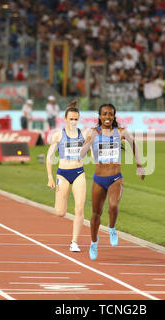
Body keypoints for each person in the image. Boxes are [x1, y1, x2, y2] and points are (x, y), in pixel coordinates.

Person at [80, 103, 145, 260]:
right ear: (99, 116)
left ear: (114, 116)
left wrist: (139, 164)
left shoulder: (121, 132)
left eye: (110, 114)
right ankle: (94, 243)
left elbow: (133, 144)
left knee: (113, 205)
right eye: (104, 114)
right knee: (96, 213)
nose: (107, 117)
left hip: (115, 178)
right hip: (98, 179)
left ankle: (111, 228)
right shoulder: (93, 132)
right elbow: (82, 152)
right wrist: (86, 144)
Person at [46, 101, 86, 252]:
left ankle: (74, 242)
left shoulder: (83, 134)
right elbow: (49, 157)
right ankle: (61, 202)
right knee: (60, 212)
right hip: (62, 174)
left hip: (78, 173)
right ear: (65, 119)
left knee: (79, 208)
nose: (74, 122)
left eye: (76, 119)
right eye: (71, 119)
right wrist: (50, 177)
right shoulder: (58, 135)